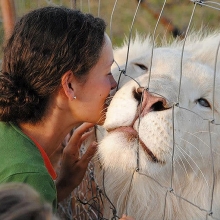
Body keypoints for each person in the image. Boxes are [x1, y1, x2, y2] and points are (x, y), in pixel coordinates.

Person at [0, 6, 134, 220]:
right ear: (69, 85)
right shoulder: (28, 175)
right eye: (108, 72)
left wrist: (61, 187)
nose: (114, 83)